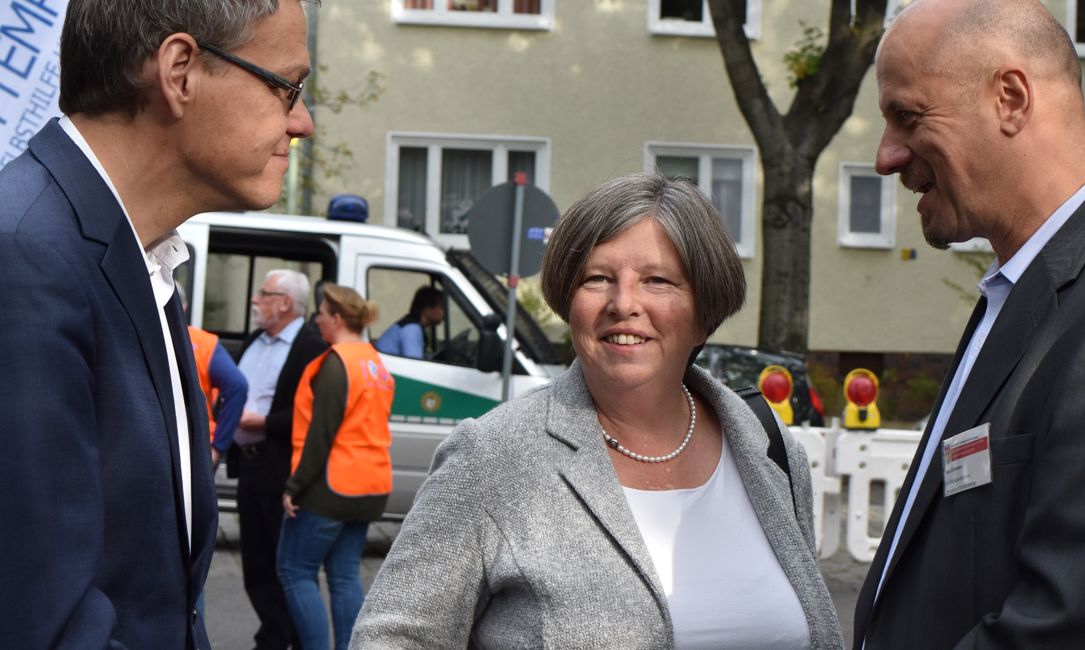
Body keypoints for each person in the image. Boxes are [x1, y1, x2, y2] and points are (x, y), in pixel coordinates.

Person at [0, 0, 326, 649]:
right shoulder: (26, 259)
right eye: (288, 86)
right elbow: (40, 622)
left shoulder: (139, 262)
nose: (301, 121)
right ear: (179, 70)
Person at [351, 173, 843, 649]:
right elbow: (393, 638)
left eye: (657, 280)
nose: (623, 302)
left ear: (704, 313)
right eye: (598, 278)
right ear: (569, 303)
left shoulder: (768, 448)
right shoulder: (493, 456)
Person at [852, 0, 1085, 649]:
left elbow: (1073, 628)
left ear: (1010, 99)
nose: (886, 157)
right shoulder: (1029, 294)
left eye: (909, 117)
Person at [279, 284, 395, 650]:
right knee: (345, 575)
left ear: (338, 319)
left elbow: (321, 436)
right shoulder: (374, 361)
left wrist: (294, 486)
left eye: (322, 314)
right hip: (371, 485)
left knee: (295, 571)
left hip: (332, 484)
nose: (317, 320)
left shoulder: (336, 363)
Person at [230, 268, 329, 650]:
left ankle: (289, 640)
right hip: (249, 465)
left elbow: (313, 413)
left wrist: (263, 422)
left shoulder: (310, 346)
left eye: (263, 294)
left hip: (282, 469)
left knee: (285, 566)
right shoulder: (256, 338)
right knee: (254, 565)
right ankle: (274, 636)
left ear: (285, 303)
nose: (255, 300)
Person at [182, 287, 250, 468]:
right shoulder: (202, 342)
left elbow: (237, 386)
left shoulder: (133, 338)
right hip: (196, 445)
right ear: (184, 307)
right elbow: (237, 386)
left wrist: (218, 447)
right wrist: (217, 448)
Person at [374, 285, 444, 358]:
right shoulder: (412, 329)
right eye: (441, 308)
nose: (444, 314)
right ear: (428, 310)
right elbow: (414, 366)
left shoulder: (411, 325)